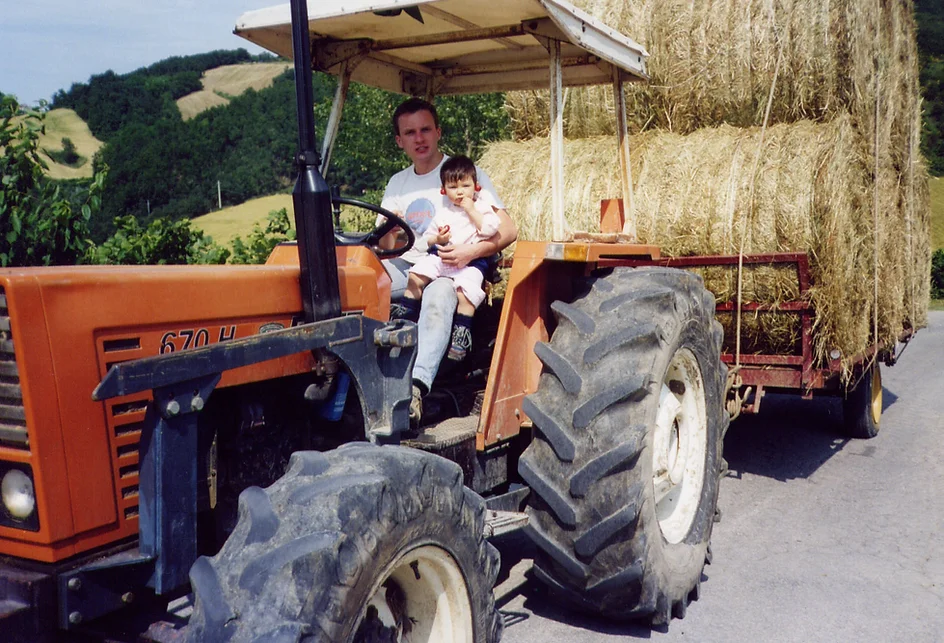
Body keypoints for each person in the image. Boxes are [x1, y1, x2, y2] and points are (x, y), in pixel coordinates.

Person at [378, 97, 517, 425]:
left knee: (439, 292)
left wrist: (471, 252)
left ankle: (416, 387)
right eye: (410, 133)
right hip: (407, 264)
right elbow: (385, 246)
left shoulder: (462, 174)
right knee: (359, 280)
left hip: (452, 267)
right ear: (399, 140)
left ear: (438, 132)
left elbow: (509, 230)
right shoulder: (398, 183)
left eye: (425, 129)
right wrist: (390, 229)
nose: (419, 138)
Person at [399, 155, 501, 361]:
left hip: (470, 262)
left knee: (466, 294)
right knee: (415, 276)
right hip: (442, 256)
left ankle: (461, 332)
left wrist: (471, 210)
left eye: (465, 186)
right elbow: (428, 239)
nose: (460, 192)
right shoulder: (443, 211)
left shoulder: (481, 208)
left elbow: (490, 229)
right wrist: (439, 238)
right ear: (443, 190)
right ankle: (405, 316)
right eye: (453, 187)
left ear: (476, 187)